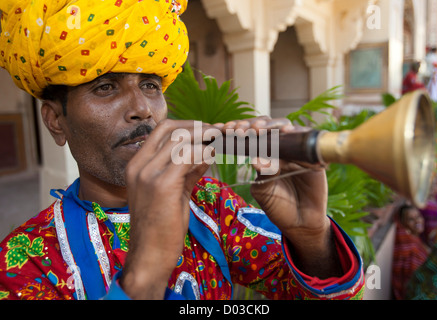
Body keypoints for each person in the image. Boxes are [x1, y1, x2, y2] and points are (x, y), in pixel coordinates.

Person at [0, 0, 364, 300]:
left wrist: (311, 236)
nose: (142, 108)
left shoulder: (210, 204)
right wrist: (145, 273)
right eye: (106, 87)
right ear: (55, 121)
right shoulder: (24, 262)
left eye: (150, 84)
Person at [392, 204, 430, 300]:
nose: (417, 221)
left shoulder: (417, 239)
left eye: (418, 216)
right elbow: (413, 276)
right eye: (411, 219)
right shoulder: (408, 247)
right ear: (403, 223)